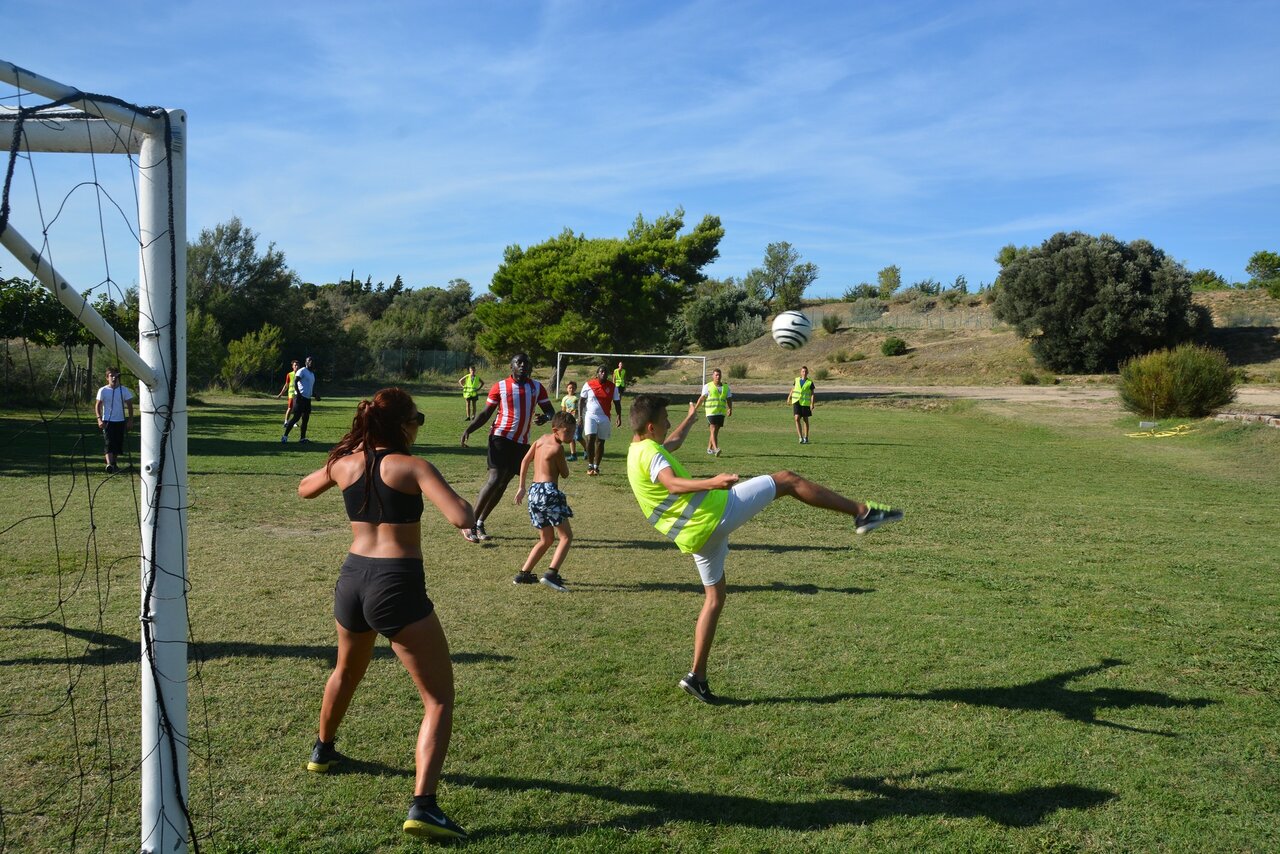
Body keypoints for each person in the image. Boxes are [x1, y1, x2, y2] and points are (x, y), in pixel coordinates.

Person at [625, 393, 904, 704]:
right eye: (665, 418)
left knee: (715, 598)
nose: (669, 422)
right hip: (716, 515)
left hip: (697, 537)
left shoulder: (639, 450)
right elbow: (672, 483)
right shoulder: (652, 455)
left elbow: (672, 444)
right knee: (786, 480)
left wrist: (692, 416)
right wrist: (712, 481)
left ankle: (697, 677)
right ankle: (862, 512)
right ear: (651, 426)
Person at [297, 387, 474, 840]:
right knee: (437, 699)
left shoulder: (345, 462)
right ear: (401, 423)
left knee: (345, 670)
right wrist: (468, 507)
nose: (418, 426)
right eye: (417, 418)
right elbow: (459, 516)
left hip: (352, 579)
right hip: (395, 583)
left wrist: (343, 461)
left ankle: (322, 750)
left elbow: (304, 489)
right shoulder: (412, 466)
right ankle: (424, 806)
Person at [460, 352, 555, 543]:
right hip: (500, 436)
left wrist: (545, 417)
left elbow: (550, 411)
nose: (523, 366)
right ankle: (468, 524)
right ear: (511, 366)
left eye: (527, 363)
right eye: (518, 362)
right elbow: (486, 412)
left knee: (503, 483)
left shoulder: (537, 387)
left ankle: (479, 522)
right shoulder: (501, 386)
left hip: (521, 443)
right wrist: (469, 428)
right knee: (495, 478)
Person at [512, 411, 576, 591]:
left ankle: (524, 574)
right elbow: (564, 473)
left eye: (573, 432)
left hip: (534, 492)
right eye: (568, 432)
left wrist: (521, 486)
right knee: (566, 536)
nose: (571, 436)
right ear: (556, 430)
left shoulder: (540, 440)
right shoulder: (558, 449)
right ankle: (551, 574)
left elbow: (525, 460)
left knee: (546, 538)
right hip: (549, 492)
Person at [579, 364, 622, 476]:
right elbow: (581, 401)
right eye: (601, 371)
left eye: (605, 372)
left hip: (605, 417)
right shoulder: (589, 384)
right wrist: (579, 417)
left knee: (600, 441)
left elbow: (617, 402)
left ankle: (596, 467)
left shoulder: (612, 387)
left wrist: (619, 416)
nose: (603, 373)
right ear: (597, 373)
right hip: (590, 415)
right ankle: (589, 465)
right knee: (590, 438)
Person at [94, 367, 135, 473]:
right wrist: (99, 419)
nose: (114, 378)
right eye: (111, 376)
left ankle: (113, 464)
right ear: (107, 377)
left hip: (120, 420)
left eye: (116, 376)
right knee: (109, 442)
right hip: (107, 420)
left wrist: (130, 420)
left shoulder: (124, 390)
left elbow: (130, 405)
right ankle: (109, 464)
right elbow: (98, 405)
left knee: (117, 443)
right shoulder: (103, 390)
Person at [693, 367, 732, 456]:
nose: (718, 377)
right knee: (713, 429)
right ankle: (716, 448)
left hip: (721, 412)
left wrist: (730, 408)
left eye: (719, 375)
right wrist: (695, 409)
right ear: (713, 376)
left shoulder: (726, 387)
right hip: (711, 412)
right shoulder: (707, 386)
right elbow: (702, 398)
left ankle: (709, 448)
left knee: (715, 431)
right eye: (716, 375)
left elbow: (729, 398)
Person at [282, 356, 318, 444]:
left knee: (305, 419)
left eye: (312, 361)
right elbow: (295, 381)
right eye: (309, 360)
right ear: (306, 362)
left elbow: (309, 387)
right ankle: (285, 436)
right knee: (296, 418)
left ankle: (302, 438)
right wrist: (298, 394)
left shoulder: (312, 374)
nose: (311, 362)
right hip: (299, 398)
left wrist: (315, 395)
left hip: (307, 399)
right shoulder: (302, 371)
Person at [788, 365, 817, 444]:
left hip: (805, 403)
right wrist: (789, 397)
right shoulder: (796, 380)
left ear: (807, 373)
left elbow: (812, 394)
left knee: (805, 420)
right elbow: (793, 389)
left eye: (805, 371)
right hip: (796, 401)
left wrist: (812, 403)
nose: (804, 373)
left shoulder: (810, 382)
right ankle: (800, 437)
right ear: (801, 372)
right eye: (803, 371)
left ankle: (806, 437)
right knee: (796, 418)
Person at [560, 380, 581, 461]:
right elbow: (563, 410)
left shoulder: (577, 398)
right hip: (569, 421)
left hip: (577, 420)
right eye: (570, 388)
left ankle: (587, 450)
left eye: (573, 388)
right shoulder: (564, 398)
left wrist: (578, 413)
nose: (571, 389)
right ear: (567, 389)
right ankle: (573, 455)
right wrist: (563, 419)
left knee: (578, 437)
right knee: (571, 437)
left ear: (575, 389)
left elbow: (581, 408)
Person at [276, 359, 300, 426]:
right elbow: (286, 385)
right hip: (291, 394)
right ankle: (286, 422)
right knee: (290, 408)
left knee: (297, 409)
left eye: (298, 365)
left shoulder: (301, 374)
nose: (297, 366)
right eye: (295, 365)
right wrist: (281, 394)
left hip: (299, 394)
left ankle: (294, 422)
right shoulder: (289, 374)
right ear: (292, 366)